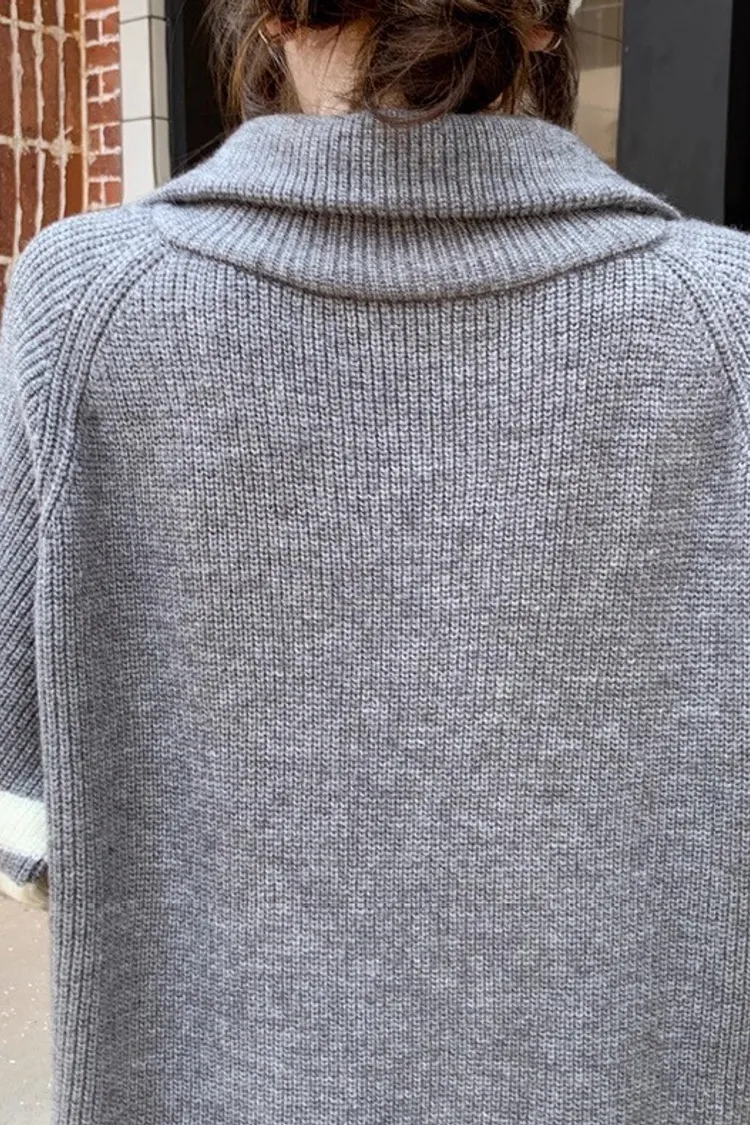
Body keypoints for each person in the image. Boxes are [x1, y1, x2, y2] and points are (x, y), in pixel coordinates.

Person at [2, 0, 750, 1120]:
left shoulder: (85, 308)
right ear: (550, 24)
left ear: (263, 16)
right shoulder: (727, 324)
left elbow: (25, 815)